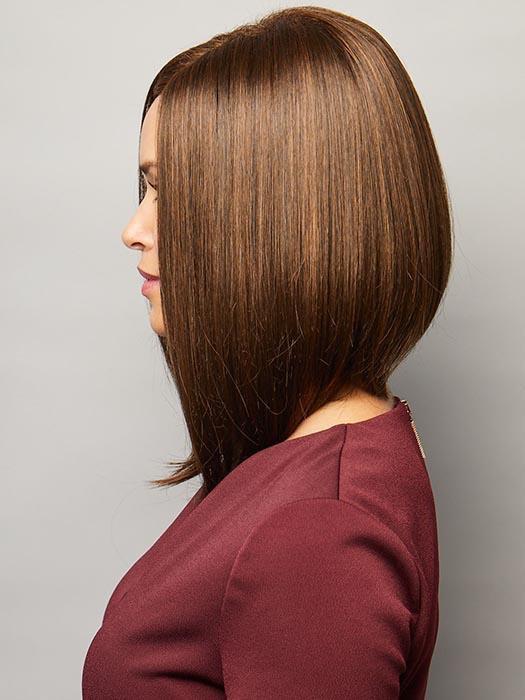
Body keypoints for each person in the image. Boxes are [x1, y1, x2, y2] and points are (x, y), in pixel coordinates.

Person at [82, 5, 452, 698]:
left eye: (172, 192)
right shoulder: (321, 462)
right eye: (147, 188)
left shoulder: (317, 530)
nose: (134, 229)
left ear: (277, 218)